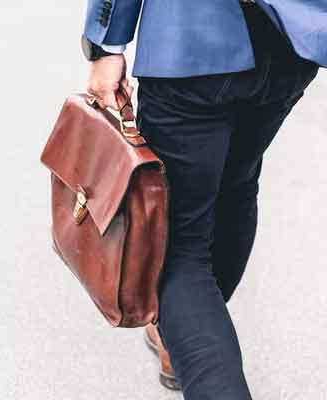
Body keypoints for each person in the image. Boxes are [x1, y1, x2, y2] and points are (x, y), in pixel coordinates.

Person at [81, 0, 325, 398]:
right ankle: (184, 334)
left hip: (192, 42)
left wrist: (105, 44)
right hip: (291, 44)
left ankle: (188, 331)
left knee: (176, 243)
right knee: (236, 184)